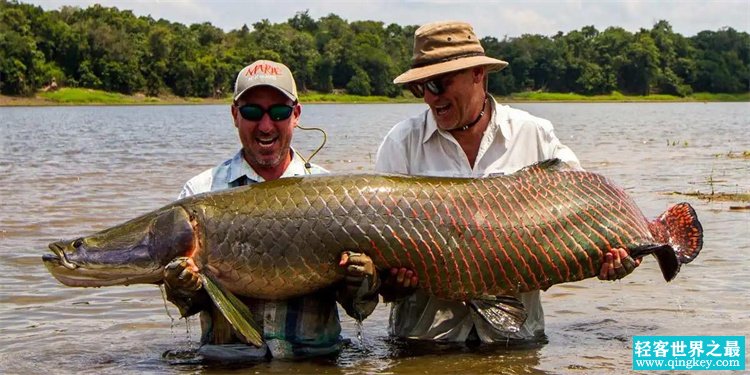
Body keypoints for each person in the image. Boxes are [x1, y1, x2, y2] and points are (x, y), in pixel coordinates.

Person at [374, 21, 641, 345]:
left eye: (438, 84)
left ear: (478, 74)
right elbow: (378, 263)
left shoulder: (534, 134)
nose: (430, 98)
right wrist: (390, 282)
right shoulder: (401, 143)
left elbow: (587, 215)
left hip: (516, 340)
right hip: (424, 344)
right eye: (420, 88)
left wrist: (617, 253)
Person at [163, 59, 379, 361]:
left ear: (297, 114)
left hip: (314, 362)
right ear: (235, 115)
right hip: (227, 363)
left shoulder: (335, 196)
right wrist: (182, 286)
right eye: (252, 112)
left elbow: (359, 308)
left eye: (279, 112)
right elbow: (188, 303)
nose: (266, 126)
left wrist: (362, 280)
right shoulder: (198, 193)